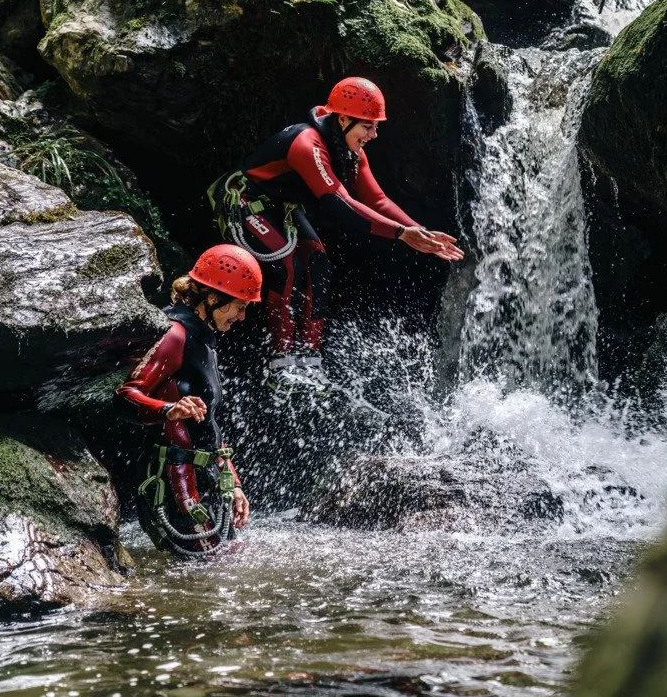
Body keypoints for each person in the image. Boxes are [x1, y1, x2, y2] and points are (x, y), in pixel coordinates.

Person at [208, 76, 464, 390]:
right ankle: (280, 365)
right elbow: (339, 204)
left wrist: (420, 232)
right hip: (245, 201)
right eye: (368, 126)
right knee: (286, 267)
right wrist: (401, 234)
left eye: (375, 126)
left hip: (281, 208)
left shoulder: (350, 150)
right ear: (342, 119)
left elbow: (377, 199)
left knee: (320, 266)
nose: (374, 134)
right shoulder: (307, 143)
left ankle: (309, 362)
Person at [117, 244, 260, 556]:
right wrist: (168, 410)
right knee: (214, 568)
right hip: (172, 483)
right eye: (239, 305)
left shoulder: (204, 339)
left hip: (203, 477)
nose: (242, 316)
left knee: (227, 563)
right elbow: (125, 396)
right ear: (211, 298)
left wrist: (232, 483)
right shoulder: (175, 335)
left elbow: (209, 426)